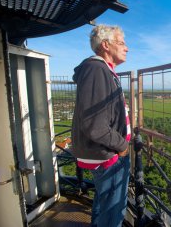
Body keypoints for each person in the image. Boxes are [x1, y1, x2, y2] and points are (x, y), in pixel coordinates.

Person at [71, 24, 132, 227]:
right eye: (121, 43)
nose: (127, 48)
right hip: (108, 154)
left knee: (104, 202)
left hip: (106, 152)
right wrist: (122, 145)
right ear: (106, 45)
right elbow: (95, 125)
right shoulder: (96, 69)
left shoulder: (101, 70)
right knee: (113, 212)